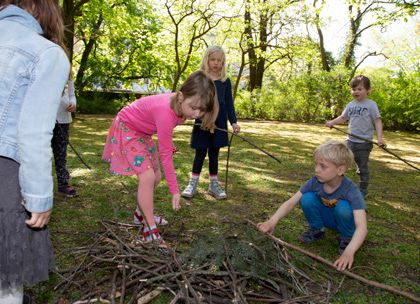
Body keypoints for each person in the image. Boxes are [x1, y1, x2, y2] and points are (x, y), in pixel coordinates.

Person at [0, 1, 70, 303]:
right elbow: (33, 133)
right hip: (4, 172)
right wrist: (39, 197)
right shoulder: (46, 53)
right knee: (7, 279)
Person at [102, 71, 219, 245]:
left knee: (156, 177)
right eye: (194, 108)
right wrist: (175, 190)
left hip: (143, 132)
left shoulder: (181, 106)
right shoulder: (166, 112)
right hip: (127, 128)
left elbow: (162, 135)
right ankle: (150, 231)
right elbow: (166, 157)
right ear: (180, 96)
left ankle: (139, 215)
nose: (196, 114)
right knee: (147, 176)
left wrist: (169, 145)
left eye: (202, 110)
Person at [257, 140, 367, 271]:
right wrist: (272, 221)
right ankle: (317, 230)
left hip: (344, 220)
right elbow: (291, 202)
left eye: (323, 166)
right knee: (307, 198)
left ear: (340, 169)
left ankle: (347, 238)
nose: (316, 170)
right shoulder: (315, 182)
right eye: (316, 164)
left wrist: (349, 252)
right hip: (329, 218)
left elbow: (362, 227)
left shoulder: (351, 190)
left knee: (343, 207)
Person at [181, 46, 240, 200]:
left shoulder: (225, 81)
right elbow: (190, 96)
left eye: (219, 60)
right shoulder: (201, 77)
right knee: (200, 152)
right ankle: (192, 183)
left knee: (214, 153)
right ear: (207, 60)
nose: (216, 63)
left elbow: (228, 103)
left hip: (219, 123)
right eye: (213, 59)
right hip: (203, 120)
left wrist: (233, 122)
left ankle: (213, 184)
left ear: (223, 62)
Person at [326, 75, 385, 197]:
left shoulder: (371, 105)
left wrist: (380, 138)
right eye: (353, 89)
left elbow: (377, 121)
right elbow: (343, 118)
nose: (356, 92)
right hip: (350, 141)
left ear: (368, 90)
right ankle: (337, 185)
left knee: (362, 167)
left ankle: (363, 189)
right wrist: (332, 122)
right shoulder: (350, 105)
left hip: (364, 143)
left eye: (359, 89)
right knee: (340, 162)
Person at [52, 77, 78, 197]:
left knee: (61, 154)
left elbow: (72, 94)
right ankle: (40, 186)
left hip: (64, 120)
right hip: (45, 119)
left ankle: (63, 184)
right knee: (42, 155)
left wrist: (73, 103)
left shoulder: (67, 76)